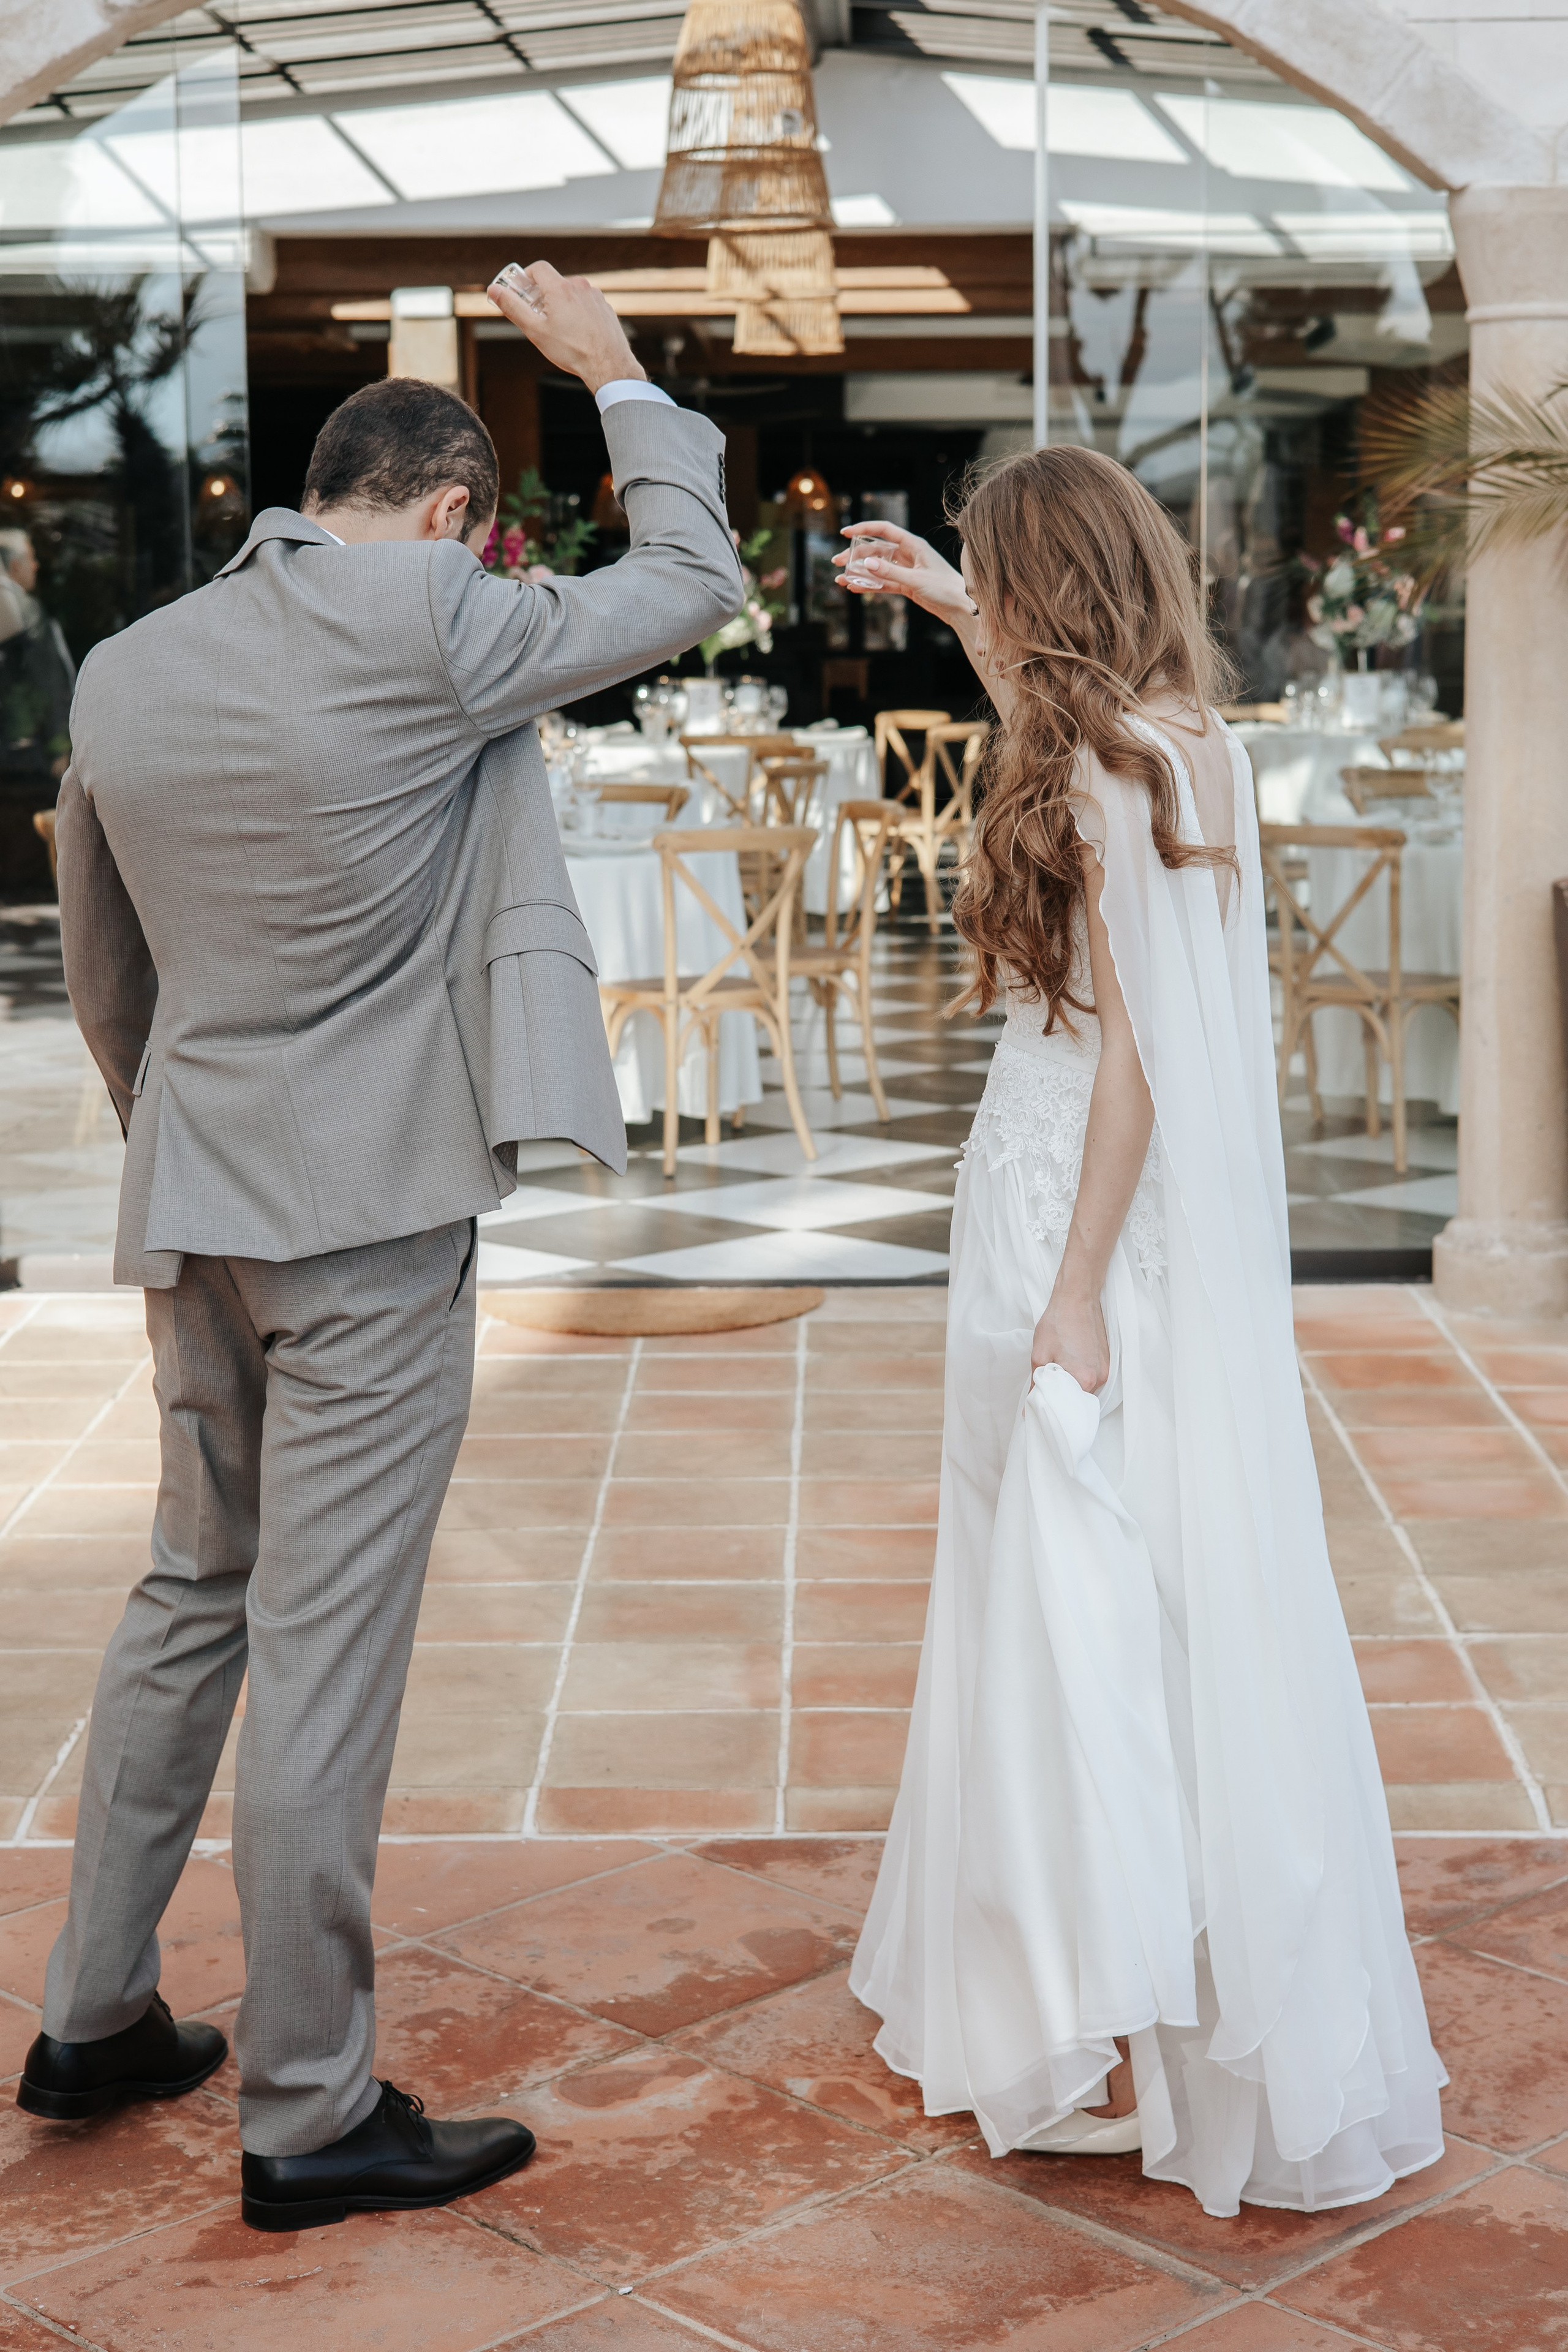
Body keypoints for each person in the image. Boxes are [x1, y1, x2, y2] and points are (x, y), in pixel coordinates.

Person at [17, 265, 743, 2234]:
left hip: (194, 1191)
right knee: (321, 1653)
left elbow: (104, 955)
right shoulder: (437, 611)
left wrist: (180, 1122)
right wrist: (611, 379)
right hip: (366, 1217)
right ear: (447, 515)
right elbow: (692, 583)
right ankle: (310, 2108)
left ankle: (90, 2016)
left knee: (191, 1589)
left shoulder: (132, 660)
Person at [836, 450, 1446, 2218]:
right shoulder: (1193, 745)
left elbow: (1144, 1070)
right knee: (1135, 1578)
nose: (974, 593)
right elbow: (1068, 733)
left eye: (982, 570)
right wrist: (962, 620)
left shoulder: (1112, 773)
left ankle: (1094, 2001)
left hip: (1069, 1208)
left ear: (1045, 587)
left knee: (1070, 1594)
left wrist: (1079, 1290)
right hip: (1068, 1200)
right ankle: (1117, 1976)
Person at [0, 527, 75, 897]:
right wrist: (61, 742)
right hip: (25, 752)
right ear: (14, 566)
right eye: (30, 557)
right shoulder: (22, 612)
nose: (37, 564)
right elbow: (47, 686)